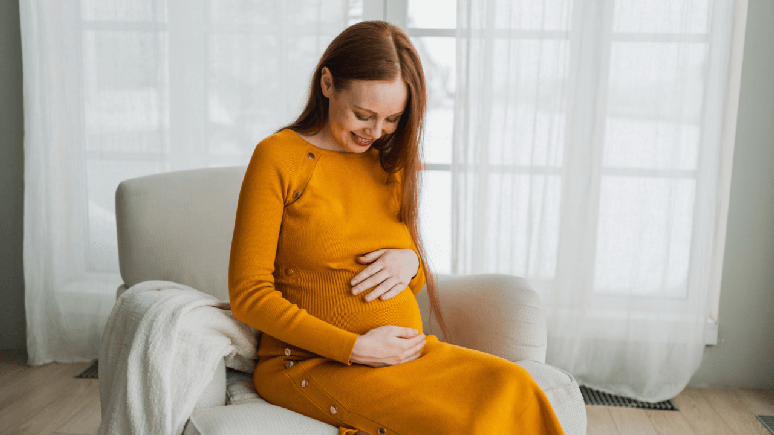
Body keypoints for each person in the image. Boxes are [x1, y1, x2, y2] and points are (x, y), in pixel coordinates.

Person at [228, 20, 565, 435]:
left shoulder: (392, 162)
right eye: (363, 115)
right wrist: (355, 348)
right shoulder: (278, 158)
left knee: (515, 385)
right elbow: (249, 295)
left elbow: (415, 280)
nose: (375, 132)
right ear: (328, 83)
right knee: (463, 424)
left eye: (392, 118)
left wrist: (410, 261)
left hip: (405, 355)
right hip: (310, 363)